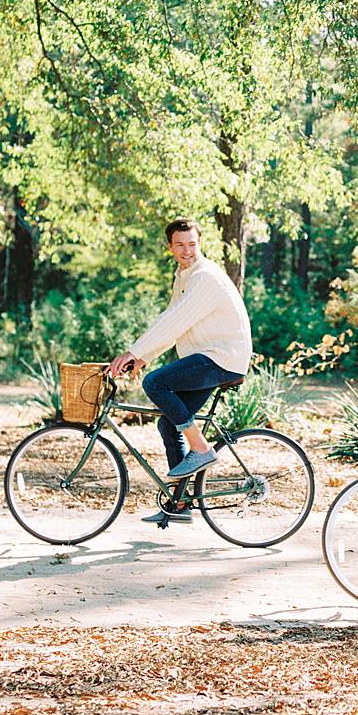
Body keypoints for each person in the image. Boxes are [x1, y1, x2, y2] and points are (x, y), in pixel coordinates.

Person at [109, 217, 252, 524]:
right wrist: (144, 355)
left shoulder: (205, 278)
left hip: (222, 357)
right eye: (180, 245)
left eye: (192, 244)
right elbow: (171, 320)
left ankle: (200, 448)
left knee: (155, 384)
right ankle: (181, 504)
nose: (187, 251)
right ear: (170, 247)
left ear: (199, 244)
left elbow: (174, 323)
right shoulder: (184, 276)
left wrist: (134, 353)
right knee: (169, 424)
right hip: (210, 356)